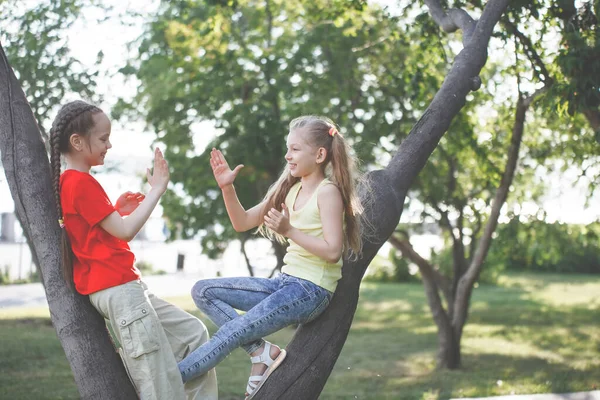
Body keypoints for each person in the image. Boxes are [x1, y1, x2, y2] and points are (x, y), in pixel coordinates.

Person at [178, 115, 363, 399]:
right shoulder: (290, 188)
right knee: (203, 291)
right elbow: (242, 222)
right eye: (287, 148)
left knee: (234, 331)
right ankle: (261, 352)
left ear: (320, 154)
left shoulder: (328, 193)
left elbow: (332, 251)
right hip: (285, 283)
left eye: (295, 149)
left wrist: (290, 230)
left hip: (311, 291)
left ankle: (173, 376)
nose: (287, 155)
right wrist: (227, 188)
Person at [49, 100, 218, 400]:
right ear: (77, 141)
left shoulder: (72, 183)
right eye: (102, 139)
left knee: (194, 335)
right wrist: (157, 190)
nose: (109, 144)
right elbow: (125, 231)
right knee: (158, 385)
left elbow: (95, 236)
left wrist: (116, 210)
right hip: (119, 290)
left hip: (126, 286)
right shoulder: (79, 183)